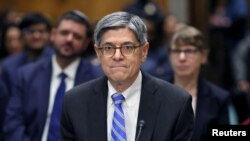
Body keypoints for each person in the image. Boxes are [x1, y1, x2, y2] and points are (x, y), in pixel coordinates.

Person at [61, 11, 194, 141]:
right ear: (98, 53)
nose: (117, 56)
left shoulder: (176, 104)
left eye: (127, 47)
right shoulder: (74, 103)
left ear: (143, 52)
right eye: (108, 48)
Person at [3, 10, 101, 141]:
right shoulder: (27, 75)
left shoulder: (97, 79)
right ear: (53, 35)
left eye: (77, 36)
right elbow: (13, 124)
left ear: (85, 43)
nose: (69, 39)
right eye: (64, 33)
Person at [168, 26, 230, 141]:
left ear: (203, 57)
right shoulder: (152, 93)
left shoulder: (219, 98)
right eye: (176, 51)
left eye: (189, 51)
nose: (182, 57)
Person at [0, 12, 52, 96]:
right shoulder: (9, 66)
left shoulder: (58, 60)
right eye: (31, 31)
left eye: (41, 31)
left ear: (50, 34)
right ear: (21, 35)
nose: (36, 36)